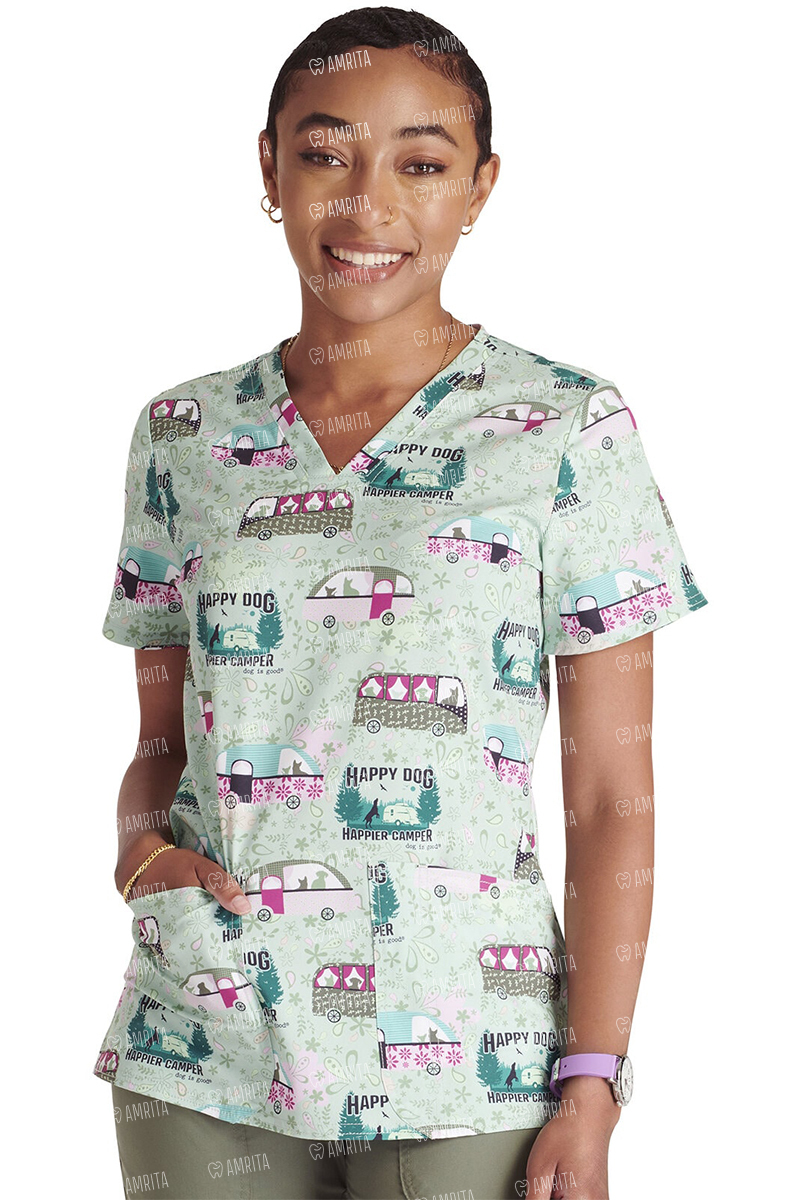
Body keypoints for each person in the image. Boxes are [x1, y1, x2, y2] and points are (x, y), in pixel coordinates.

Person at [95, 7, 709, 1199]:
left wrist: (592, 1079)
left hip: (471, 1054)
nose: (367, 204)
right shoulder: (183, 434)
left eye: (420, 165)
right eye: (325, 153)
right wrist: (138, 859)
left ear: (478, 188)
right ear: (269, 169)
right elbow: (162, 742)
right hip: (204, 1042)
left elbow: (607, 795)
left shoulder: (565, 428)